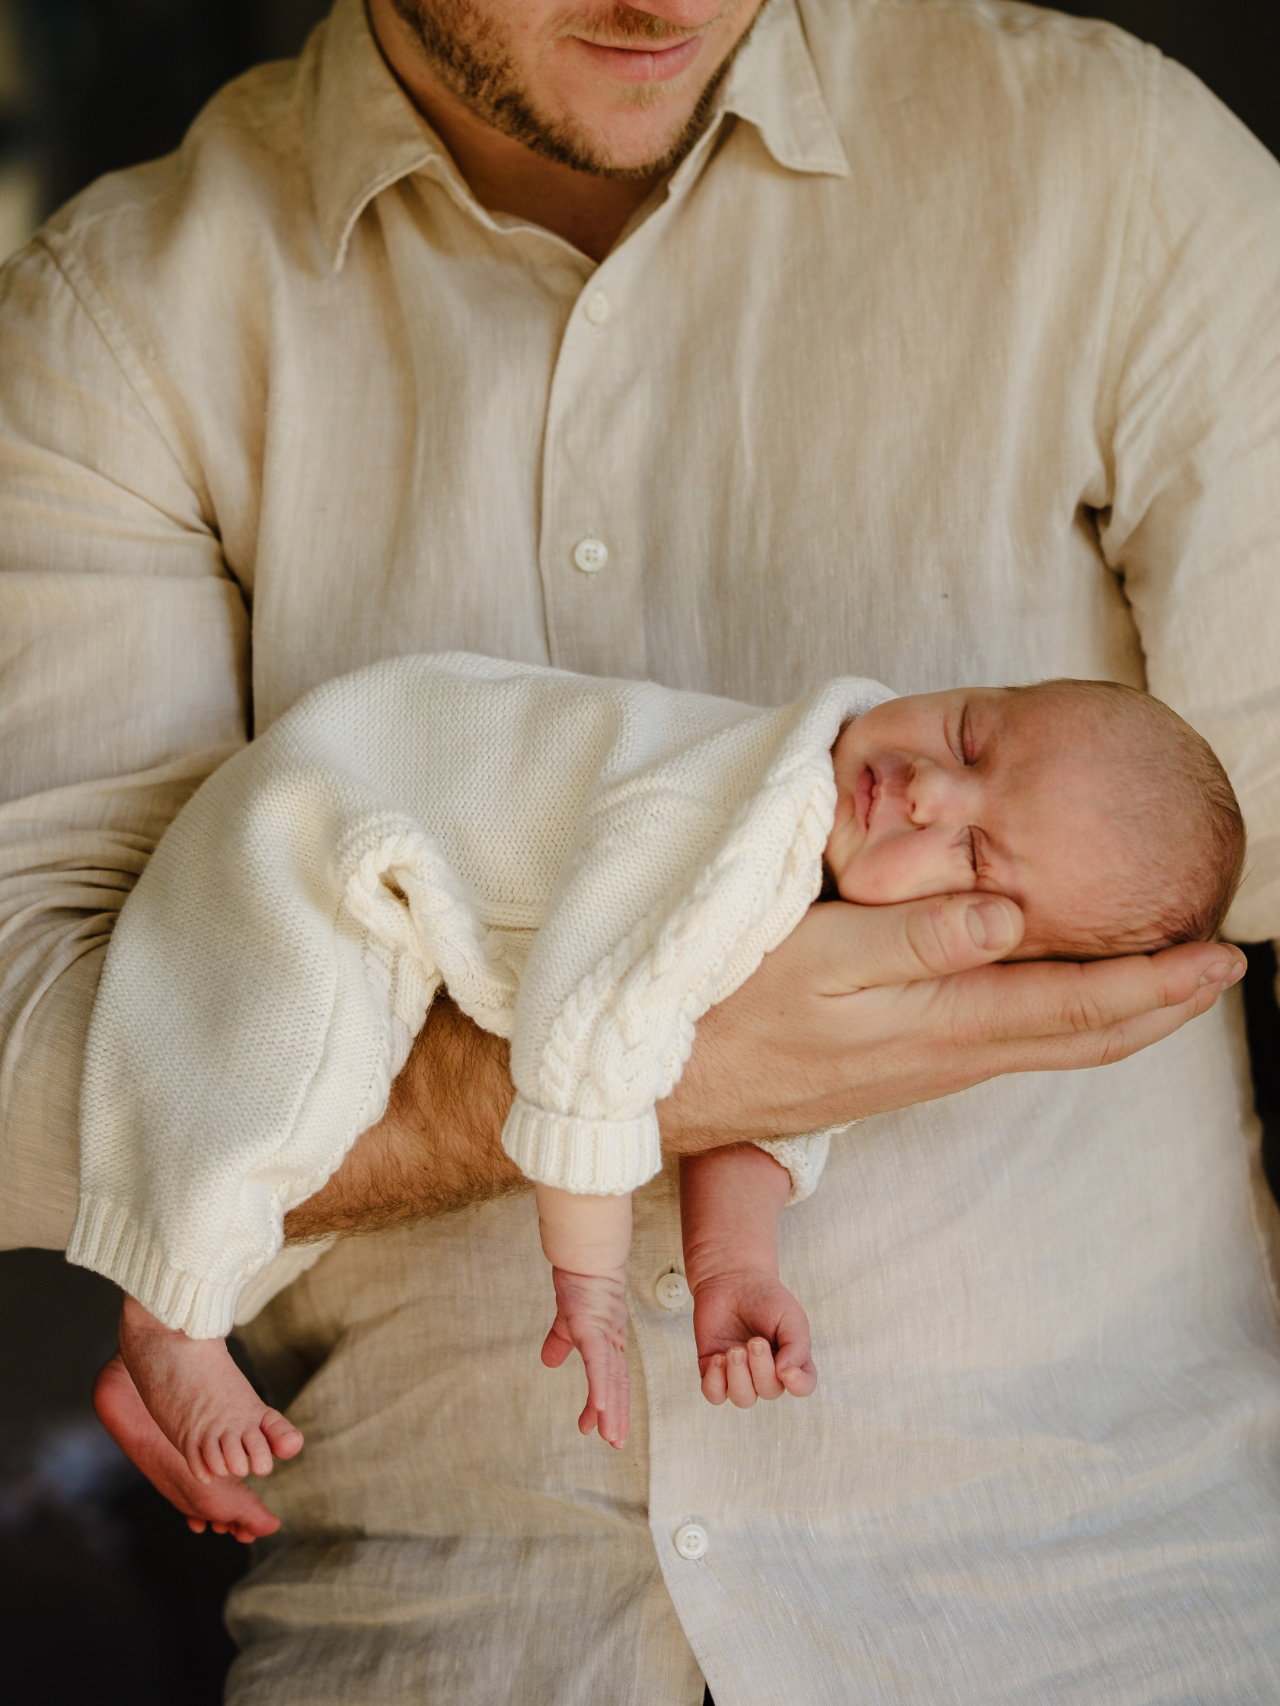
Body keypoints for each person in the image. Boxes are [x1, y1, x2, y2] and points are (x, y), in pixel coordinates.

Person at [0, 0, 1277, 1696]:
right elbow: (27, 1093)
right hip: (454, 1635)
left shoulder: (1113, 175)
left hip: (1104, 1597)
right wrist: (656, 1061)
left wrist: (229, 1143)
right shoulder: (122, 322)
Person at [87, 668, 1245, 1492]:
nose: (929, 791)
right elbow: (588, 1043)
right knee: (298, 1068)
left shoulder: (821, 869)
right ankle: (169, 1318)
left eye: (975, 856)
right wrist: (585, 1281)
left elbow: (763, 1084)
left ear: (996, 943)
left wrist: (731, 1263)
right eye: (973, 735)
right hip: (324, 821)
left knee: (337, 1093)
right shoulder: (749, 818)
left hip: (388, 850)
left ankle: (188, 1295)